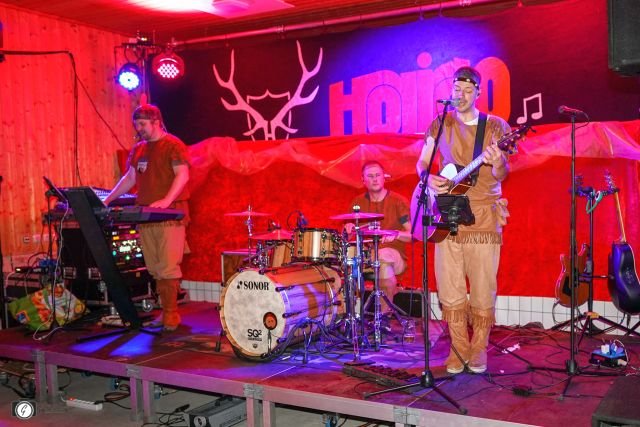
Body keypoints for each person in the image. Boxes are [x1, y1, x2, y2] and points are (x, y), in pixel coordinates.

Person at [416, 66, 511, 374]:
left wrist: (498, 162)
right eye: (457, 90)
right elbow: (423, 162)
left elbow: (503, 174)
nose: (461, 95)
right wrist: (426, 178)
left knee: (483, 284)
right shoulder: (440, 122)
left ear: (478, 93)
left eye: (468, 91)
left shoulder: (495, 126)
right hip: (447, 213)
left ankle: (479, 347)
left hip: (482, 215)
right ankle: (458, 347)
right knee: (450, 285)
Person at [104, 104, 190, 332]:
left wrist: (167, 200)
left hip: (170, 215)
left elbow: (183, 175)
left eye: (142, 124)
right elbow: (130, 178)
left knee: (168, 265)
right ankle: (165, 311)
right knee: (155, 266)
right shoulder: (139, 149)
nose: (139, 128)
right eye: (136, 125)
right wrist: (107, 199)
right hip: (146, 216)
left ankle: (171, 313)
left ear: (156, 122)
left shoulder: (173, 145)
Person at [345, 161, 412, 311]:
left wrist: (396, 234)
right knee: (341, 260)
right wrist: (348, 229)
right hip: (365, 255)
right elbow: (347, 236)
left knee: (382, 256)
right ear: (363, 180)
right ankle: (346, 313)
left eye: (378, 175)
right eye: (370, 176)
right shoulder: (357, 202)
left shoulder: (398, 201)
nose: (375, 179)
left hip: (393, 253)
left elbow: (412, 235)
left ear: (384, 177)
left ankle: (383, 315)